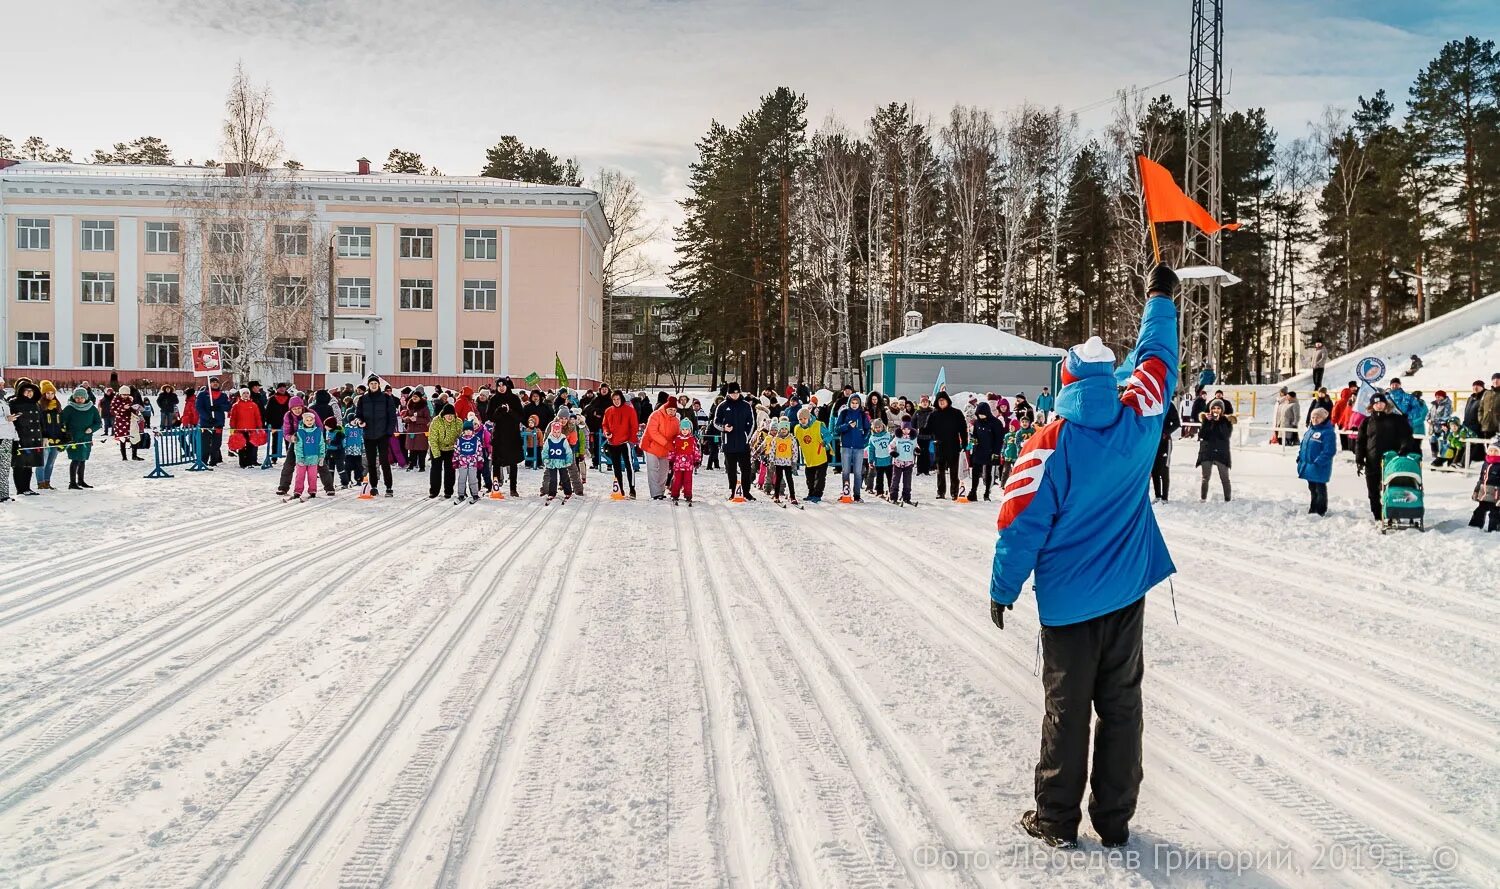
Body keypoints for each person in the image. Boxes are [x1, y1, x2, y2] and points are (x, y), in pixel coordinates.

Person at [989, 263, 1179, 850]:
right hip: (1127, 592)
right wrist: (1160, 299)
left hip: (1069, 604)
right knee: (1122, 706)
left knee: (1066, 712)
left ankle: (1055, 820)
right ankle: (1115, 820)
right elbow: (1156, 360)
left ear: (1065, 379)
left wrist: (1003, 589)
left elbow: (1019, 528)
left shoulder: (1046, 443)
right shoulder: (1140, 419)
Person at [1355, 392, 1418, 520]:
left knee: (1391, 489)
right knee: (1373, 491)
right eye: (1376, 403)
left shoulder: (1397, 419)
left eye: (1381, 403)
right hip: (1372, 462)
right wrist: (1359, 459)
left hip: (1392, 462)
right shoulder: (1366, 422)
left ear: (1386, 404)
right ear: (1372, 406)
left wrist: (1404, 449)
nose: (1378, 405)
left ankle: (1393, 512)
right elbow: (1360, 441)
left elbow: (1406, 437)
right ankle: (1377, 515)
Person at [356, 375, 400, 497]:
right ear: (368, 385)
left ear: (379, 385)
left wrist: (389, 432)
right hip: (368, 434)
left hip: (383, 434)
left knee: (384, 461)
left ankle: (389, 486)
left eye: (375, 383)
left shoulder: (386, 398)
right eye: (371, 384)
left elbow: (392, 416)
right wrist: (360, 422)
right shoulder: (363, 399)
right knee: (371, 462)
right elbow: (358, 414)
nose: (374, 385)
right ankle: (373, 486)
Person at [713, 383, 756, 500]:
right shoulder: (722, 406)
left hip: (743, 443)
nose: (735, 395)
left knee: (746, 468)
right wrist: (724, 428)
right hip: (729, 443)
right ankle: (733, 491)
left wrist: (746, 436)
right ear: (728, 393)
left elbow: (751, 422)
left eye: (737, 393)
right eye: (732, 393)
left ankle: (746, 491)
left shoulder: (746, 406)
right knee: (731, 469)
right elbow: (715, 422)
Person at [926, 391, 968, 500]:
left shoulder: (956, 413)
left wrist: (964, 443)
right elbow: (927, 429)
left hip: (953, 445)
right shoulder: (933, 415)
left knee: (954, 471)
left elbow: (963, 429)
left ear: (947, 401)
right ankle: (941, 492)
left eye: (943, 400)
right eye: (939, 401)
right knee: (940, 471)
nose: (941, 402)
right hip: (939, 445)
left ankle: (955, 492)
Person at [59, 387, 103, 490]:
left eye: (82, 398)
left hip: (86, 438)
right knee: (75, 460)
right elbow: (62, 421)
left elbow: (98, 422)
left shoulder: (92, 408)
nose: (79, 400)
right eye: (77, 398)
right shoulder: (69, 408)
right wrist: (66, 432)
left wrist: (91, 429)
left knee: (83, 459)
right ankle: (72, 482)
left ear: (86, 398)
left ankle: (81, 481)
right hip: (74, 438)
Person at [1297, 407, 1338, 516]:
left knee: (1320, 489)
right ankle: (1313, 507)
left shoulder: (1328, 433)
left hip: (1319, 467)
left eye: (1318, 417)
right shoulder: (1310, 430)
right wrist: (1300, 457)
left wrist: (1318, 462)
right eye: (1313, 417)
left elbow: (1329, 451)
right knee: (1312, 488)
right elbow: (1303, 446)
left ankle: (1320, 510)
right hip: (1308, 466)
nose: (1315, 419)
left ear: (1323, 418)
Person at [602, 389, 640, 498]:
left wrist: (631, 440)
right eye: (614, 399)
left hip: (625, 442)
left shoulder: (629, 410)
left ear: (621, 399)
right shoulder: (608, 411)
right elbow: (605, 425)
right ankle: (620, 489)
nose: (616, 401)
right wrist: (607, 433)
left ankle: (632, 489)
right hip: (612, 443)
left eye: (618, 399)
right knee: (616, 467)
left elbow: (634, 426)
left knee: (629, 465)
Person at [1195, 399, 1235, 502]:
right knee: (1205, 477)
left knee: (1225, 478)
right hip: (1207, 451)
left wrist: (1219, 422)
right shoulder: (1206, 419)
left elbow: (1226, 435)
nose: (1215, 410)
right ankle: (1203, 498)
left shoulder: (1227, 421)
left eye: (1218, 408)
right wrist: (1208, 422)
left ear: (1222, 410)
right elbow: (1202, 435)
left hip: (1221, 452)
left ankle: (1227, 499)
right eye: (1213, 408)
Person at [641, 396, 679, 500]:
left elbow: (677, 435)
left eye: (674, 410)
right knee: (653, 469)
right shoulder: (656, 415)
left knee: (664, 471)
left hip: (666, 449)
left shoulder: (676, 421)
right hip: (651, 445)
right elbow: (653, 432)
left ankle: (661, 491)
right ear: (666, 407)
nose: (672, 412)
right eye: (670, 409)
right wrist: (667, 443)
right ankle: (655, 493)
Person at [835, 394, 872, 501]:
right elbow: (837, 428)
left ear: (859, 404)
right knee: (845, 471)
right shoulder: (844, 413)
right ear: (849, 403)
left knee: (857, 472)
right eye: (853, 403)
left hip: (858, 447)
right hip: (846, 446)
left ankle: (857, 495)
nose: (855, 405)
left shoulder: (862, 414)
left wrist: (864, 441)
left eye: (856, 403)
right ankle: (846, 493)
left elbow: (868, 429)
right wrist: (847, 425)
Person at [285, 409, 326, 501]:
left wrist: (321, 456)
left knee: (312, 476)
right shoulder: (300, 432)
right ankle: (297, 491)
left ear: (314, 420)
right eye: (307, 420)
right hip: (302, 459)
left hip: (314, 458)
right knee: (300, 476)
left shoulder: (318, 431)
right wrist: (300, 458)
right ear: (304, 421)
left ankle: (312, 491)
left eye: (311, 420)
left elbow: (321, 444)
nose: (309, 422)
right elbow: (298, 447)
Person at [968, 402, 1004, 501]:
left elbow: (999, 439)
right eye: (979, 414)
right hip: (978, 450)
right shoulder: (977, 422)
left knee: (988, 473)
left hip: (991, 451)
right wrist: (974, 441)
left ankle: (987, 492)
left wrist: (996, 452)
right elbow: (974, 435)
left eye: (983, 414)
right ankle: (973, 491)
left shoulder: (996, 423)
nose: (981, 416)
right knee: (975, 472)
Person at [795, 406, 830, 503]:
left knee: (819, 478)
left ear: (809, 417)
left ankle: (817, 494)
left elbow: (828, 435)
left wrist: (825, 441)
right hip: (808, 459)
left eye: (805, 418)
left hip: (820, 457)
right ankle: (811, 493)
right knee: (809, 478)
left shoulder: (818, 425)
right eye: (800, 419)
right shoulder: (797, 429)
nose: (803, 421)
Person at [426, 404, 461, 499]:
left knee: (450, 470)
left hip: (451, 449)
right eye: (447, 415)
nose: (449, 417)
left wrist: (458, 450)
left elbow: (460, 436)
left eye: (451, 415)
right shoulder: (436, 421)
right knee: (436, 470)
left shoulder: (458, 422)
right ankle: (434, 491)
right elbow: (432, 439)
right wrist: (436, 454)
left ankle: (448, 491)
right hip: (437, 447)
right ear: (443, 415)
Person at [766, 416, 801, 505]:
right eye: (782, 429)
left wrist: (794, 461)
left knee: (789, 479)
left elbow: (795, 450)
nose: (784, 430)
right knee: (778, 478)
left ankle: (792, 496)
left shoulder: (791, 439)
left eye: (786, 429)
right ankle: (776, 495)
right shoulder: (776, 439)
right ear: (779, 429)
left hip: (788, 462)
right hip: (778, 462)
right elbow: (772, 451)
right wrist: (772, 461)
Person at [195, 379, 230, 466]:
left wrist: (219, 407)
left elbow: (228, 406)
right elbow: (199, 407)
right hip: (206, 423)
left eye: (216, 382)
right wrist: (208, 417)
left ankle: (214, 461)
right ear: (209, 384)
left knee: (216, 443)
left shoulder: (223, 395)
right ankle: (204, 461)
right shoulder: (203, 395)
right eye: (213, 382)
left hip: (218, 423)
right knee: (205, 444)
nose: (215, 384)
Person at [668, 416, 702, 505]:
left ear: (690, 430)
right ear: (680, 429)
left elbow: (695, 450)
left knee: (688, 481)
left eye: (686, 429)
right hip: (678, 464)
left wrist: (697, 460)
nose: (684, 431)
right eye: (683, 429)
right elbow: (672, 450)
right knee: (677, 480)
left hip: (688, 465)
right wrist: (671, 460)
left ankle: (688, 495)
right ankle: (675, 494)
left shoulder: (692, 439)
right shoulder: (677, 439)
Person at [1151, 402, 1180, 503]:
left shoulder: (1168, 404)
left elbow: (1177, 423)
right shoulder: (1150, 401)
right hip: (1152, 442)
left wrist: (1165, 433)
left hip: (1165, 442)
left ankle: (1165, 497)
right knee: (1154, 470)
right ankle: (1157, 495)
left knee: (1164, 469)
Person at [541, 419, 575, 503]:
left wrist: (568, 460)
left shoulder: (563, 439)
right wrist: (545, 459)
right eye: (555, 432)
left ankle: (568, 492)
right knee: (552, 479)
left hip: (562, 462)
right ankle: (552, 493)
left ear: (560, 431)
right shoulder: (549, 440)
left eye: (558, 432)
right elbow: (545, 451)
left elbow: (568, 451)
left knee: (565, 478)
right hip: (552, 463)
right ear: (552, 431)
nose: (556, 434)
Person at [228, 388, 263, 468]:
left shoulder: (254, 405)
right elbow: (233, 418)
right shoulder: (236, 405)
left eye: (247, 393)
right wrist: (232, 428)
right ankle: (242, 463)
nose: (246, 395)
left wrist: (259, 426)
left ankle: (249, 462)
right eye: (244, 393)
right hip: (240, 429)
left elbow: (257, 417)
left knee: (251, 446)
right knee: (241, 446)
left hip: (251, 429)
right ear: (241, 395)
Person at [452, 419, 485, 504]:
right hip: (462, 463)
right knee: (461, 480)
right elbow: (456, 451)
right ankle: (461, 495)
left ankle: (475, 494)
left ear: (472, 431)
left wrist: (480, 461)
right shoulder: (459, 440)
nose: (468, 432)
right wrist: (455, 461)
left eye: (470, 430)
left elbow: (479, 451)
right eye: (466, 430)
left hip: (473, 463)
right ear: (463, 431)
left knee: (473, 479)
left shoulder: (476, 440)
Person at [1470, 442, 1500, 531]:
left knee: (1495, 514)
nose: (1493, 452)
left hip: (1496, 496)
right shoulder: (1486, 463)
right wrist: (1476, 491)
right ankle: (1473, 528)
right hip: (1484, 494)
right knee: (1479, 511)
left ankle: (1494, 530)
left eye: (1496, 451)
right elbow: (1481, 479)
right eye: (1491, 450)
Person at [403, 394, 431, 472]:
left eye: (416, 397)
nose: (414, 398)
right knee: (412, 449)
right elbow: (404, 418)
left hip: (421, 431)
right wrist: (409, 418)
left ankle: (422, 466)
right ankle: (412, 464)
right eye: (413, 396)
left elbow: (427, 419)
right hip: (411, 431)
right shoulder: (410, 406)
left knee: (421, 449)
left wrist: (417, 419)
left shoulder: (424, 407)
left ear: (420, 398)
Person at [866, 418, 893, 498]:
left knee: (890, 477)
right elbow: (871, 450)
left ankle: (892, 491)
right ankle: (879, 491)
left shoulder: (888, 435)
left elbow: (893, 446)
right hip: (878, 460)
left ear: (882, 427)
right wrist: (870, 460)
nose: (878, 429)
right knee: (879, 478)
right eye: (876, 427)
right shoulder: (872, 438)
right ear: (873, 428)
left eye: (879, 427)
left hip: (888, 459)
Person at [889, 425, 916, 504]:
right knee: (895, 480)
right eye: (904, 429)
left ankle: (906, 497)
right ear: (901, 429)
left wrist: (917, 450)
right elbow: (891, 446)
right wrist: (892, 452)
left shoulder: (913, 438)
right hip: (898, 462)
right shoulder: (897, 437)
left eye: (908, 429)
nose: (906, 431)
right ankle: (893, 497)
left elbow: (916, 446)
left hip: (908, 462)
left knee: (907, 481)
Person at [1463, 380, 1487, 465]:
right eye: (1474, 386)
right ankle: (1478, 457)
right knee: (1474, 446)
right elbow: (1467, 411)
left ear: (1482, 387)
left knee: (1473, 444)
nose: (1475, 388)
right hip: (1468, 425)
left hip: (1478, 425)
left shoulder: (1484, 397)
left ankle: (1464, 464)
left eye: (1478, 386)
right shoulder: (1471, 398)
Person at [911, 395, 935, 475]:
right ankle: (919, 469)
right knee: (919, 453)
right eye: (923, 402)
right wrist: (913, 433)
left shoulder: (932, 412)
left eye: (926, 402)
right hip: (919, 435)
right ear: (920, 403)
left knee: (927, 453)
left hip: (929, 435)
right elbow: (913, 423)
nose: (924, 403)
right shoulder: (917, 412)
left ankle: (926, 470)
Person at [340, 419, 366, 488]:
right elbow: (344, 438)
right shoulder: (347, 428)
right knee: (348, 466)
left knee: (358, 466)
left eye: (355, 420)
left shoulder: (359, 428)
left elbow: (362, 438)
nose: (354, 422)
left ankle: (359, 480)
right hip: (349, 450)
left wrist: (362, 447)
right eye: (353, 420)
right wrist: (344, 446)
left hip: (357, 450)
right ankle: (347, 480)